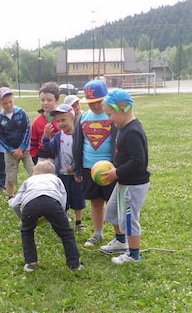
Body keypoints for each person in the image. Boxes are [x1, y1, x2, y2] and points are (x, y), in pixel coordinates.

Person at [98, 89, 151, 264]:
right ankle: (120, 242)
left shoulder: (132, 132)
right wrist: (114, 167)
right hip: (123, 181)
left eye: (109, 114)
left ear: (122, 110)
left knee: (129, 219)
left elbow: (138, 161)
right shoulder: (122, 127)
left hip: (133, 185)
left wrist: (117, 172)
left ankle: (133, 255)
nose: (109, 119)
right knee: (112, 211)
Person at [9, 161, 82, 272]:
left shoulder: (29, 180)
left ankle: (31, 263)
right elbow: (63, 197)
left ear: (34, 173)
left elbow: (15, 203)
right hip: (52, 202)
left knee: (27, 232)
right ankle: (74, 264)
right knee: (66, 233)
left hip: (31, 204)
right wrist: (61, 214)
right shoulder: (56, 179)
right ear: (53, 173)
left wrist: (22, 218)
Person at [72, 79, 116, 247]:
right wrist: (77, 169)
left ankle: (119, 237)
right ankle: (98, 233)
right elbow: (77, 144)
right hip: (88, 168)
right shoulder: (82, 118)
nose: (96, 105)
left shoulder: (112, 117)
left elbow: (118, 143)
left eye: (99, 101)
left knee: (113, 203)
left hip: (110, 169)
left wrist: (116, 166)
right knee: (96, 201)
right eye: (91, 102)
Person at [41, 104, 85, 231]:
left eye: (63, 120)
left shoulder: (79, 135)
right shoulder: (58, 136)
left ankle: (79, 222)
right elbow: (50, 150)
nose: (60, 123)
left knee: (78, 198)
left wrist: (75, 167)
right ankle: (64, 220)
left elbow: (82, 154)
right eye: (58, 121)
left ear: (72, 118)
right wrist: (46, 137)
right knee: (63, 198)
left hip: (76, 175)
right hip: (61, 174)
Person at [0, 87, 35, 198]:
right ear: (0, 103)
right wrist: (12, 150)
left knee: (32, 170)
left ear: (13, 100)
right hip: (10, 152)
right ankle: (11, 196)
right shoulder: (0, 119)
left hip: (25, 149)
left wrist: (22, 148)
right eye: (5, 103)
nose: (8, 105)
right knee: (10, 175)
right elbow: (1, 137)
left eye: (10, 102)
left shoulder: (22, 113)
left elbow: (27, 130)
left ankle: (36, 192)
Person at [30, 81, 60, 164]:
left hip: (59, 154)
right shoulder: (36, 121)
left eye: (49, 100)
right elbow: (33, 142)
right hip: (42, 156)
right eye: (42, 100)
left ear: (57, 100)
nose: (45, 103)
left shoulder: (61, 118)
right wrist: (34, 157)